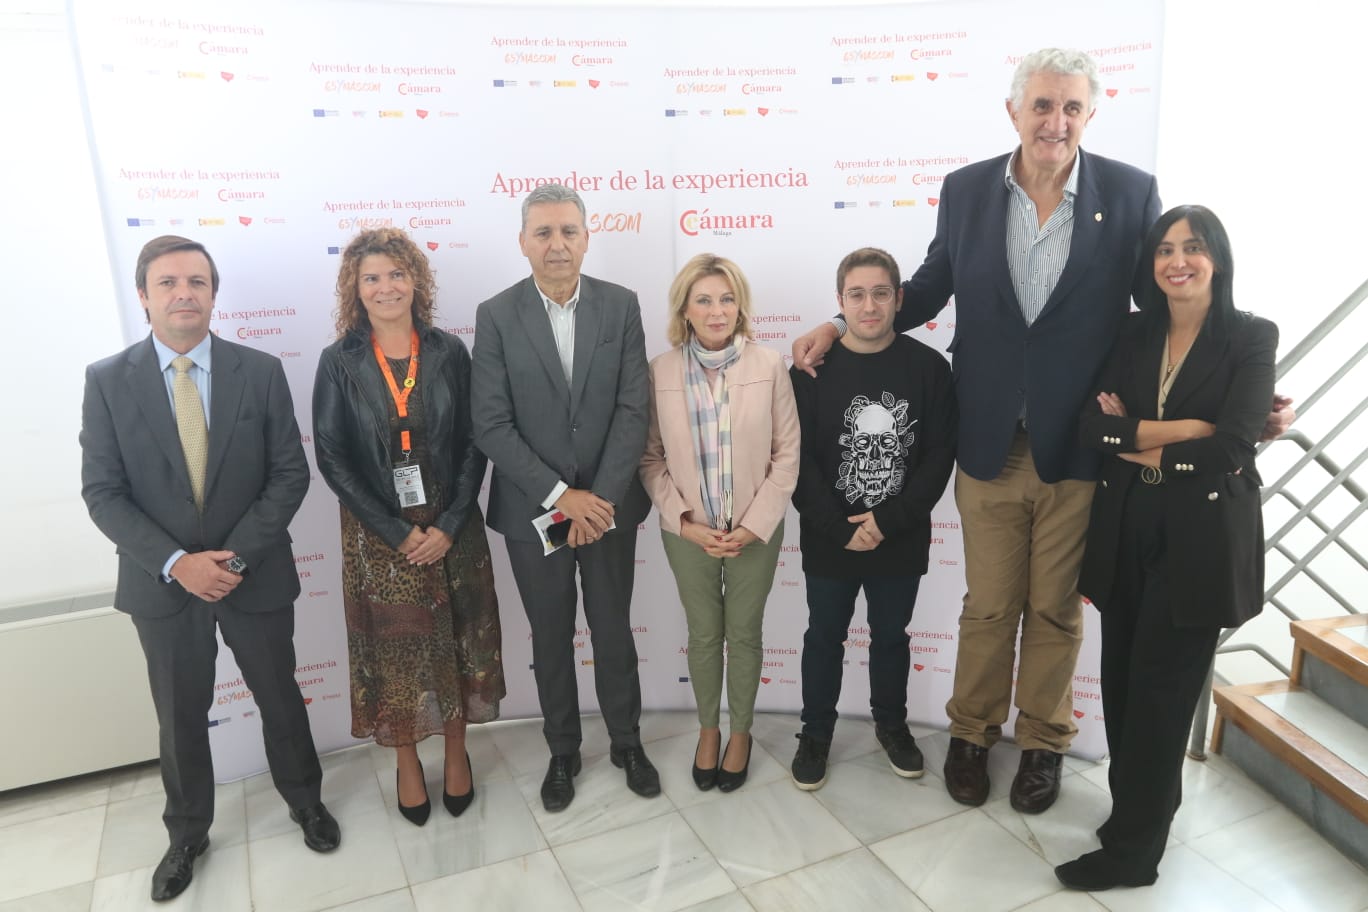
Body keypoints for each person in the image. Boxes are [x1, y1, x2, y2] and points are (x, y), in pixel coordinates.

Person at [791, 48, 1294, 813]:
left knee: (1057, 608)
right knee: (988, 605)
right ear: (1014, 112)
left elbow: (1164, 306)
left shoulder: (1129, 194)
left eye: (1070, 107)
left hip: (1083, 445)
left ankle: (1043, 744)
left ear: (1089, 114)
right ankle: (971, 735)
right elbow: (927, 287)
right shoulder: (965, 191)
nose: (1054, 121)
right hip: (987, 441)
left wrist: (1242, 401)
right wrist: (838, 322)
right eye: (1041, 105)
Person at [80, 235, 339, 902]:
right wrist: (177, 564)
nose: (183, 293)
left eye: (196, 281)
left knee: (280, 697)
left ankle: (306, 803)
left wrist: (231, 558)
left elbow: (288, 474)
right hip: (162, 586)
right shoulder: (107, 382)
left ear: (214, 294)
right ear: (144, 296)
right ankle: (188, 833)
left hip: (252, 574)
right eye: (167, 283)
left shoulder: (260, 370)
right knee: (180, 716)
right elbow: (103, 493)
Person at [1056, 206, 1276, 890]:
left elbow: (1234, 446)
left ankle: (1133, 855)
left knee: (1160, 696)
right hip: (1126, 527)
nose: (1177, 260)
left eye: (1193, 247)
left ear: (1218, 259)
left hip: (1200, 540)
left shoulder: (1250, 336)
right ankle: (1137, 814)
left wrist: (1141, 438)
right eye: (1165, 249)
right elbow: (1095, 427)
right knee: (1121, 688)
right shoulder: (1133, 330)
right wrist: (1184, 427)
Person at [471, 183, 658, 812]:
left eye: (568, 231)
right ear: (523, 242)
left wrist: (596, 500)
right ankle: (562, 750)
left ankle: (628, 743)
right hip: (534, 515)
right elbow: (491, 423)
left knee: (612, 632)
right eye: (544, 233)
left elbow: (634, 408)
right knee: (551, 637)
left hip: (608, 510)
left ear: (586, 236)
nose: (557, 244)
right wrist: (560, 497)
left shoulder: (621, 305)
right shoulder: (496, 315)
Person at [312, 228, 505, 827]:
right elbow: (331, 455)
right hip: (379, 539)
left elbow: (477, 441)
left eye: (396, 274)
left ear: (416, 281)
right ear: (356, 289)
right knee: (395, 658)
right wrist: (394, 531)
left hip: (454, 532)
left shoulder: (448, 352)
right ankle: (405, 762)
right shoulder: (339, 362)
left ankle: (454, 753)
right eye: (372, 277)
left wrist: (447, 522)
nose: (386, 286)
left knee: (454, 643)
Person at [788, 248, 956, 790]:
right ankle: (815, 733)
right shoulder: (811, 370)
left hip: (899, 536)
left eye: (880, 293)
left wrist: (885, 521)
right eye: (856, 294)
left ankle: (892, 726)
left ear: (899, 299)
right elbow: (798, 461)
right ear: (840, 302)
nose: (869, 305)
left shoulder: (930, 368)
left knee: (891, 637)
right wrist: (839, 528)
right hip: (827, 534)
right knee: (823, 637)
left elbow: (937, 459)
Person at [639, 254, 799, 793]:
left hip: (756, 529)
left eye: (727, 299)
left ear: (741, 307)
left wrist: (756, 524)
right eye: (704, 299)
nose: (716, 310)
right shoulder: (659, 370)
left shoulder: (770, 365)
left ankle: (741, 733)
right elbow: (650, 459)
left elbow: (787, 454)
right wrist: (683, 522)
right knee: (705, 635)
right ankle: (709, 730)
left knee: (744, 633)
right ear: (685, 308)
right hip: (689, 533)